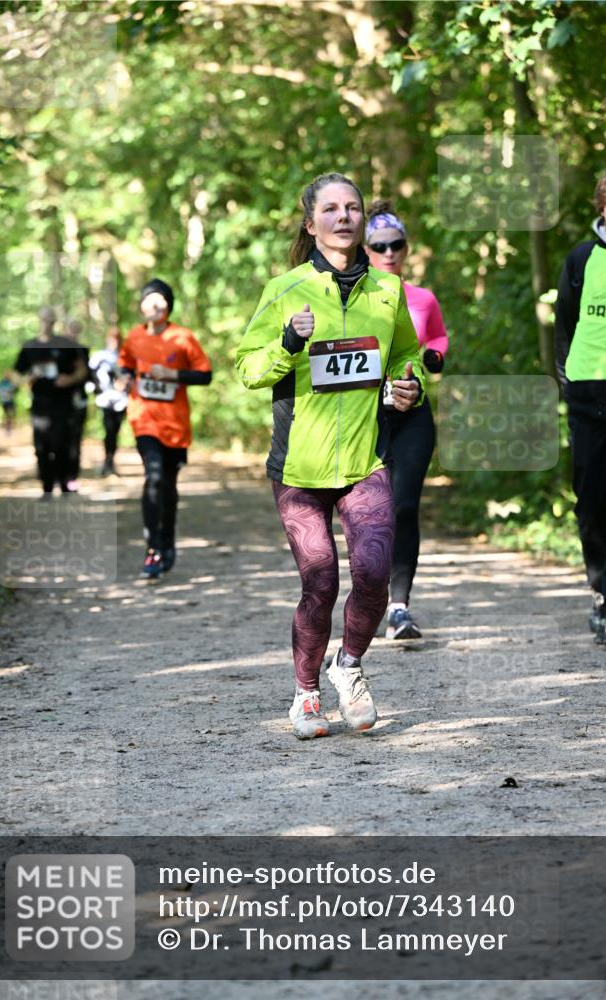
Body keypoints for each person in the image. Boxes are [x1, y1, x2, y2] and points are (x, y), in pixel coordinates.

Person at [236, 172, 425, 740]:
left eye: (353, 208)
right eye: (332, 209)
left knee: (373, 572)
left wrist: (409, 386)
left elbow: (407, 356)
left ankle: (349, 666)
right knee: (319, 580)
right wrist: (288, 343)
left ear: (363, 219)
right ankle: (306, 693)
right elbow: (247, 368)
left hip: (365, 460)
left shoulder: (387, 291)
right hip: (299, 467)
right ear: (310, 222)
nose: (344, 216)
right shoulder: (284, 289)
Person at [555, 165, 606, 648]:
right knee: (591, 504)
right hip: (586, 397)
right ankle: (602, 592)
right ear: (602, 208)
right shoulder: (581, 260)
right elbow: (564, 325)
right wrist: (567, 384)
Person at [365, 200, 449, 640]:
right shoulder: (352, 297)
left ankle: (399, 607)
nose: (389, 252)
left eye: (396, 244)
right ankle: (367, 598)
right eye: (379, 245)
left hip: (412, 413)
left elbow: (437, 336)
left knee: (403, 505)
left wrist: (435, 355)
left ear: (406, 248)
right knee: (369, 512)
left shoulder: (422, 298)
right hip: (364, 417)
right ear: (365, 249)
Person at [118, 278, 212, 578]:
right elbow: (125, 365)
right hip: (143, 419)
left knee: (168, 486)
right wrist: (124, 378)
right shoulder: (134, 336)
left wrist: (172, 375)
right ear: (142, 305)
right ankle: (153, 548)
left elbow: (205, 375)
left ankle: (167, 538)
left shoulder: (182, 337)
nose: (155, 304)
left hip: (175, 424)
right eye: (149, 299)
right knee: (154, 477)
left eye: (161, 299)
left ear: (169, 306)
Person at [14, 306, 88, 497]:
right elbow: (15, 373)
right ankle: (46, 488)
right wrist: (25, 380)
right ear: (38, 320)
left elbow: (82, 370)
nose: (47, 323)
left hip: (63, 405)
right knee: (42, 447)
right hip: (40, 405)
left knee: (61, 444)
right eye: (44, 319)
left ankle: (64, 484)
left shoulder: (65, 345)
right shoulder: (30, 346)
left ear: (55, 322)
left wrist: (69, 379)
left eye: (50, 320)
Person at [88, 327, 128, 476]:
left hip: (121, 401)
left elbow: (132, 376)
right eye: (112, 339)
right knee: (108, 429)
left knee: (115, 431)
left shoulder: (125, 357)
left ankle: (110, 461)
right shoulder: (99, 357)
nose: (114, 342)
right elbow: (90, 376)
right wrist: (96, 390)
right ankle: (107, 462)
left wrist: (124, 384)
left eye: (117, 339)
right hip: (105, 400)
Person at [62, 317, 90, 491]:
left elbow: (88, 374)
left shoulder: (82, 351)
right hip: (58, 404)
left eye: (76, 330)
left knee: (75, 440)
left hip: (78, 401)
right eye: (71, 329)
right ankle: (59, 475)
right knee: (59, 440)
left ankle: (71, 477)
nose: (73, 333)